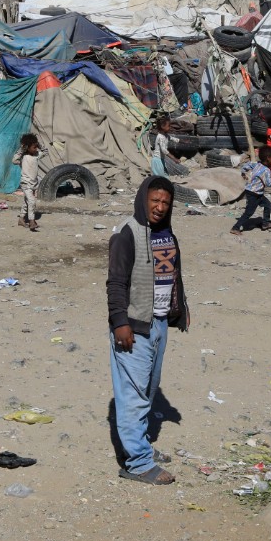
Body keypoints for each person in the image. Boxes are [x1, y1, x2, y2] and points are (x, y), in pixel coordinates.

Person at [107, 176, 190, 485]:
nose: (159, 207)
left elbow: (172, 274)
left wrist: (180, 309)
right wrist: (121, 322)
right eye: (155, 200)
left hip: (158, 323)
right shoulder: (127, 233)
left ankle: (140, 446)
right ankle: (137, 463)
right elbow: (115, 282)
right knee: (133, 395)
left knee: (149, 390)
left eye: (165, 202)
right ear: (143, 199)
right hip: (133, 327)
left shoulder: (166, 233)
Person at [231, 157, 271, 235]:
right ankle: (235, 228)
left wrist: (243, 173)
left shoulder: (256, 164)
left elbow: (245, 166)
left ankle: (265, 223)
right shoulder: (266, 170)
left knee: (267, 205)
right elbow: (269, 183)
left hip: (255, 192)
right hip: (254, 194)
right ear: (268, 159)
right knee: (249, 213)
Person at [12, 134, 41, 231]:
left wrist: (39, 144)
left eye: (36, 147)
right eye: (34, 147)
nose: (36, 149)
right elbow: (14, 160)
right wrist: (21, 149)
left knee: (26, 202)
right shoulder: (23, 157)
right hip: (26, 183)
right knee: (32, 201)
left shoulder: (36, 155)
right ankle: (32, 221)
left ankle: (21, 219)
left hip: (34, 183)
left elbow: (45, 152)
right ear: (27, 147)